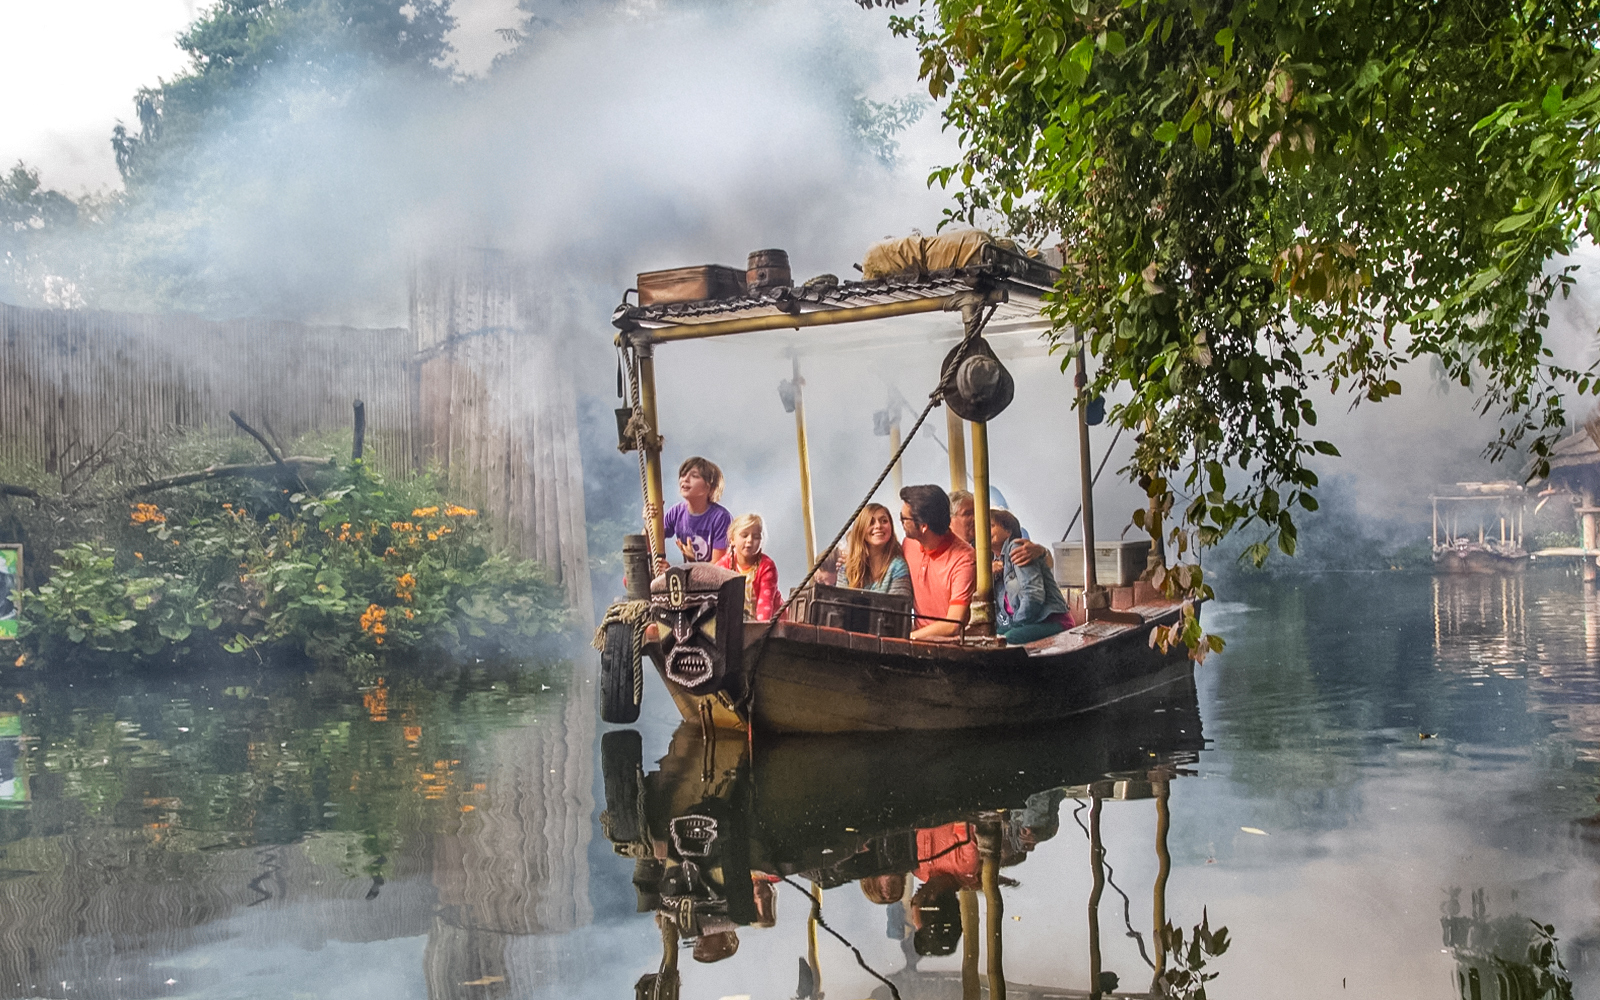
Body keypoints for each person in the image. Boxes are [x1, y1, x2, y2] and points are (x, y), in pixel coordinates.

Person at [899, 485, 976, 641]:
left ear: (923, 526)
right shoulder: (908, 544)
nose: (901, 522)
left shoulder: (964, 559)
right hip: (917, 638)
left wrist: (908, 637)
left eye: (903, 519)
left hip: (947, 645)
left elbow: (953, 624)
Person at [991, 508, 1072, 644]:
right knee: (988, 637)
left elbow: (1033, 594)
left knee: (1007, 639)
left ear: (1008, 531)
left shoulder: (1018, 549)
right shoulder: (993, 561)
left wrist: (1016, 623)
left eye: (992, 526)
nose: (985, 530)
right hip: (1024, 622)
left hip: (1050, 620)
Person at [656, 456, 730, 567]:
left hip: (717, 580)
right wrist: (650, 520)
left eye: (694, 476)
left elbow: (719, 567)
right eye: (683, 475)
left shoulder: (720, 517)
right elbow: (650, 543)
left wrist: (693, 562)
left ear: (708, 488)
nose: (685, 479)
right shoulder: (676, 512)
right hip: (692, 574)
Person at [949, 489, 1051, 568]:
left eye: (976, 512)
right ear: (949, 520)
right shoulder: (943, 551)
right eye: (967, 513)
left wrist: (1042, 552)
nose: (976, 518)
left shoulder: (989, 543)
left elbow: (1046, 563)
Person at [831, 503, 912, 597]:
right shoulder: (846, 570)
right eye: (871, 522)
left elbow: (898, 608)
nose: (878, 526)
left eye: (884, 521)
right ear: (861, 529)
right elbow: (840, 606)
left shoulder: (898, 567)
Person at [715, 513, 780, 621]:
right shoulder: (723, 565)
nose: (750, 540)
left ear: (761, 540)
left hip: (769, 625)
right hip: (738, 622)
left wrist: (759, 632)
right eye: (744, 535)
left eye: (756, 537)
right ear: (732, 540)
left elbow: (765, 606)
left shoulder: (767, 567)